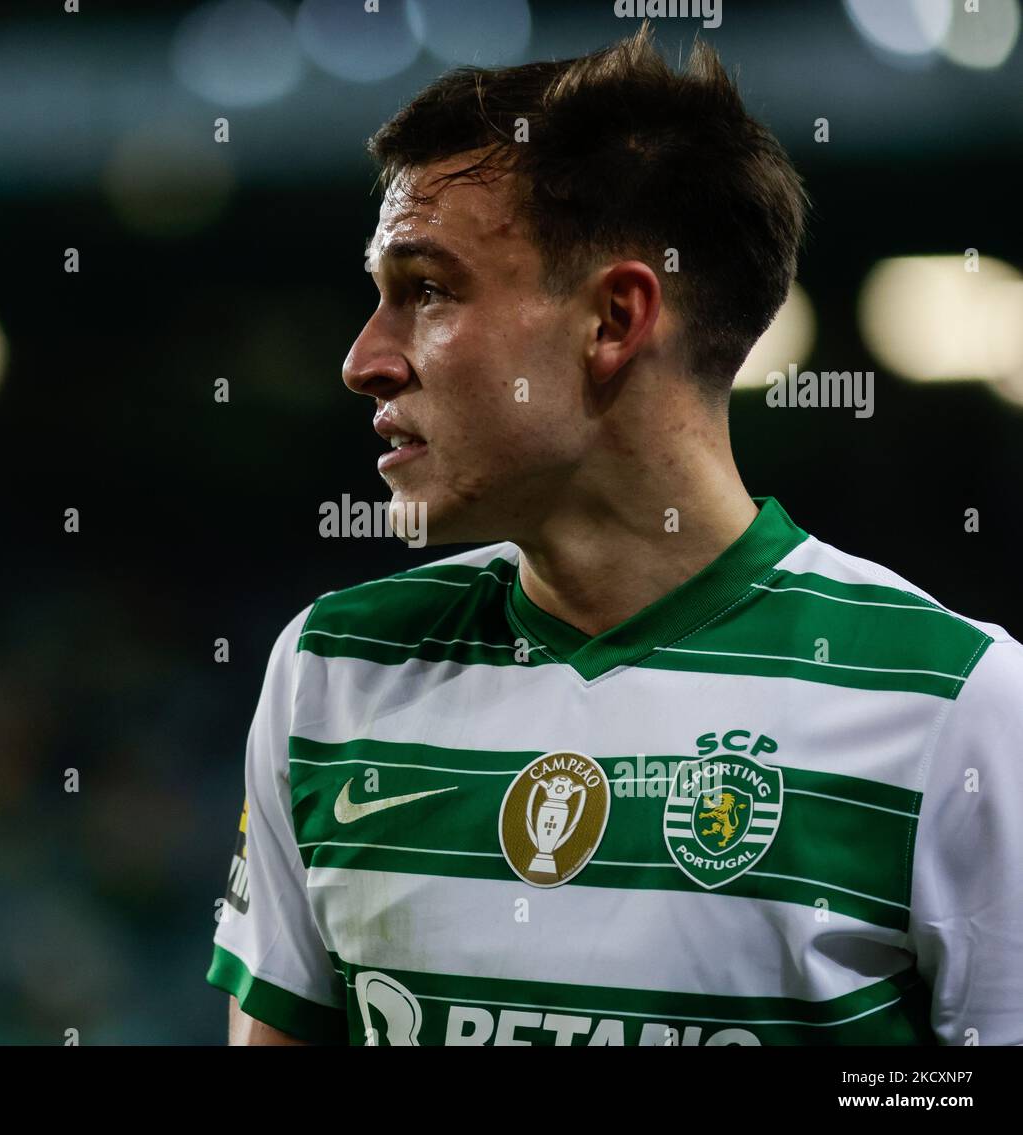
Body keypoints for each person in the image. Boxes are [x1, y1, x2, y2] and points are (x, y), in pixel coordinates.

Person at [206, 24, 1023, 1046]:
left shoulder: (957, 704)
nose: (363, 359)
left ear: (612, 319)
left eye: (426, 291)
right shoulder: (330, 669)